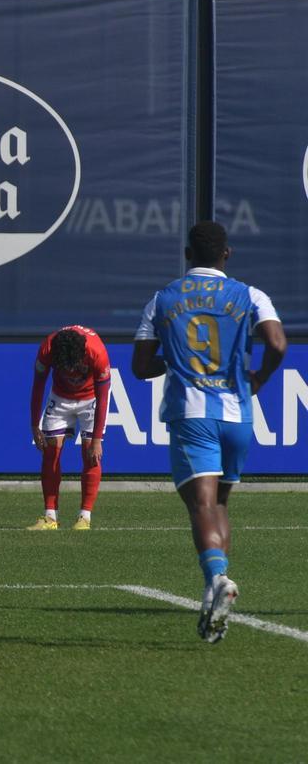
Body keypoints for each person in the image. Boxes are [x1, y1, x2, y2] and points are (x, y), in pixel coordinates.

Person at [132, 221, 286, 643]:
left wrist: (172, 362)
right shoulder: (251, 294)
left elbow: (141, 366)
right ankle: (210, 592)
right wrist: (257, 381)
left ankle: (218, 578)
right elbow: (276, 344)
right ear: (227, 254)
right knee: (219, 504)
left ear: (187, 255)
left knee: (200, 505)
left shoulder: (162, 299)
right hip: (238, 413)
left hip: (192, 411)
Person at [27, 326, 112, 530]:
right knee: (50, 452)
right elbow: (38, 386)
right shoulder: (47, 349)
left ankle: (85, 517)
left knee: (91, 454)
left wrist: (97, 440)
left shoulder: (97, 352)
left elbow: (103, 398)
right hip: (60, 397)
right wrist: (34, 424)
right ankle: (50, 516)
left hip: (91, 398)